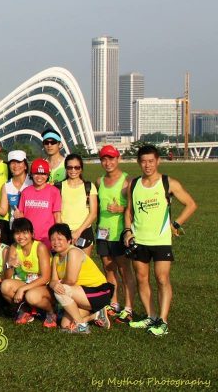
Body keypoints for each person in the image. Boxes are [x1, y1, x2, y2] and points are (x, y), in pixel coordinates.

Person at [123, 144, 197, 336]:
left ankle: (163, 322)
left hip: (161, 240)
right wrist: (128, 231)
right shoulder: (134, 184)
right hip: (139, 240)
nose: (147, 165)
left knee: (162, 279)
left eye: (151, 161)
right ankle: (151, 316)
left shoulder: (168, 183)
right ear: (138, 162)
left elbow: (190, 204)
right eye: (144, 161)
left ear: (158, 161)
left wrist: (176, 224)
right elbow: (129, 211)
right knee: (141, 278)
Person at [49, 223, 115, 334]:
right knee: (65, 325)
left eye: (60, 239)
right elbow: (53, 281)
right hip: (81, 295)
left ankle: (81, 326)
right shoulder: (56, 257)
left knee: (61, 290)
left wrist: (57, 284)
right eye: (52, 239)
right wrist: (54, 284)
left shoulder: (73, 252)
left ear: (69, 240)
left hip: (98, 292)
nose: (56, 242)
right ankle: (96, 315)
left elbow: (71, 280)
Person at [95, 145, 135, 323]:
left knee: (124, 269)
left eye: (111, 158)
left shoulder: (128, 181)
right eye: (104, 159)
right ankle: (114, 303)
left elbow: (135, 208)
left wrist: (121, 209)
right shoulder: (99, 181)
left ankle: (128, 307)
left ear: (118, 159)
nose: (108, 162)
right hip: (103, 232)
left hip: (120, 233)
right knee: (108, 268)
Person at [0, 218, 56, 327]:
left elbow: (46, 277)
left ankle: (51, 312)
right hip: (27, 282)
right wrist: (10, 265)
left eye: (25, 232)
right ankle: (26, 310)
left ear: (32, 233)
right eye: (17, 233)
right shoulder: (14, 247)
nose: (21, 237)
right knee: (5, 286)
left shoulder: (40, 247)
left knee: (31, 296)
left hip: (44, 286)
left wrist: (22, 289)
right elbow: (7, 277)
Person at [16, 159, 62, 245]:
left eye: (43, 174)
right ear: (31, 174)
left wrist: (58, 234)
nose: (39, 177)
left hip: (47, 237)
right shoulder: (25, 192)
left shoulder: (54, 191)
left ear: (48, 175)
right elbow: (21, 214)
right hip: (29, 237)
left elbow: (57, 215)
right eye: (36, 173)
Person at [0, 150, 31, 225]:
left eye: (19, 162)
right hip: (15, 227)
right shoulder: (6, 186)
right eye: (12, 162)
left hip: (32, 226)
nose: (15, 165)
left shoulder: (33, 182)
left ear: (25, 166)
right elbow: (3, 211)